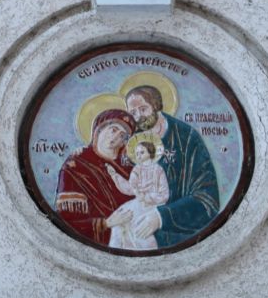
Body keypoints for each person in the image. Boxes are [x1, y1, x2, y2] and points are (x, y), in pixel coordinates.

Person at [123, 85, 220, 248]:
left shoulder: (186, 138)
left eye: (143, 109)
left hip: (178, 235)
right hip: (136, 223)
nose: (139, 117)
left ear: (156, 105)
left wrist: (162, 217)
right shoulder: (131, 139)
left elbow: (207, 199)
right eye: (133, 112)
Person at [54, 109, 135, 246]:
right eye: (113, 130)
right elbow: (67, 222)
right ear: (99, 130)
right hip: (101, 241)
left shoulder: (129, 168)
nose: (116, 137)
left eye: (123, 135)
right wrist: (106, 223)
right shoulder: (76, 165)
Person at [105, 140, 169, 250]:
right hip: (138, 203)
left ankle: (146, 253)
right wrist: (114, 175)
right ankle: (116, 250)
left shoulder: (158, 170)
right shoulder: (137, 169)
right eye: (137, 153)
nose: (139, 155)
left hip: (153, 206)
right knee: (119, 219)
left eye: (142, 152)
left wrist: (147, 197)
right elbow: (130, 188)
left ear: (150, 152)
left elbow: (164, 194)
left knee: (140, 227)